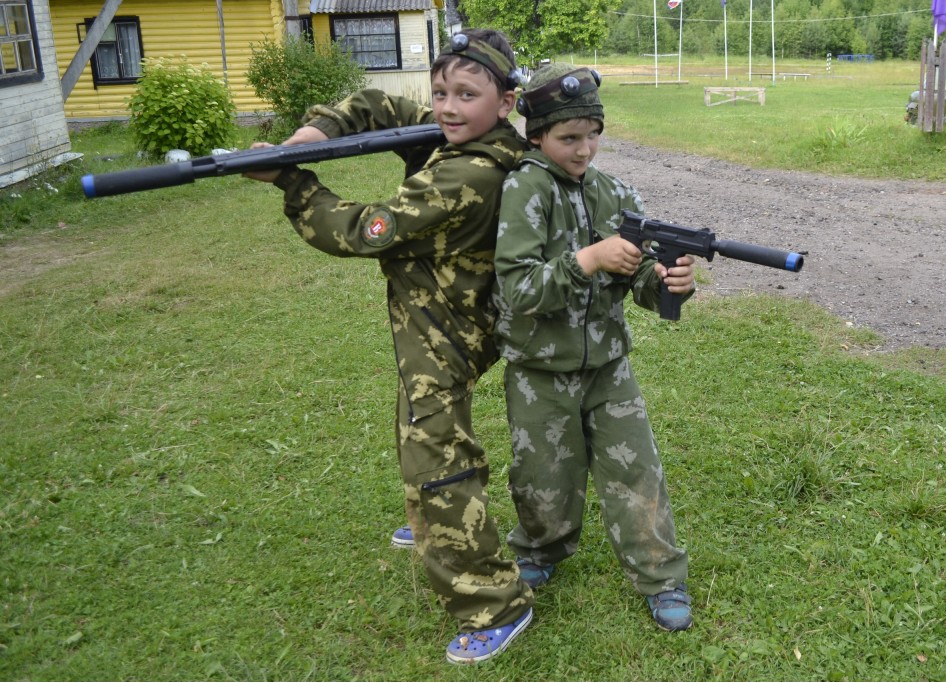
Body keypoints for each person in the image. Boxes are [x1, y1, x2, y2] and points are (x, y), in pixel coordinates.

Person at [244, 29, 534, 664]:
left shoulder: (469, 173)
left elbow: (359, 230)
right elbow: (381, 102)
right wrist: (316, 132)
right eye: (440, 92)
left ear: (506, 102)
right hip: (435, 320)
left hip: (450, 331)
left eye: (466, 94)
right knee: (419, 432)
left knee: (437, 459)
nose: (447, 107)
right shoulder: (468, 135)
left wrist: (291, 179)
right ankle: (433, 522)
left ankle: (495, 602)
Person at [491, 62, 696, 631]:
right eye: (569, 138)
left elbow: (641, 276)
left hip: (609, 367)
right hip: (539, 370)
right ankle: (539, 549)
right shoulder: (524, 190)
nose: (584, 150)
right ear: (537, 136)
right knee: (543, 475)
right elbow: (517, 289)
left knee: (638, 472)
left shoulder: (615, 194)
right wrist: (588, 259)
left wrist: (667, 281)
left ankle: (661, 577)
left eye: (593, 134)